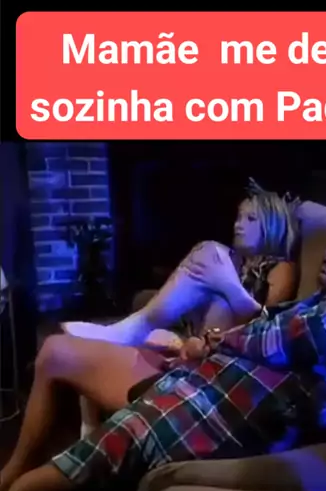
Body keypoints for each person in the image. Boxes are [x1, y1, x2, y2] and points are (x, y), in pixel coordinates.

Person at [0, 222, 326, 491]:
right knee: (57, 352)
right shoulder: (316, 302)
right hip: (195, 375)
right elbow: (272, 331)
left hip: (208, 403)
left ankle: (17, 484)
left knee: (30, 490)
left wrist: (215, 340)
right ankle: (14, 469)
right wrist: (197, 347)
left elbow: (284, 340)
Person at [66, 180, 299, 436]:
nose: (238, 224)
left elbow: (266, 326)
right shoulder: (231, 260)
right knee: (209, 250)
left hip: (226, 352)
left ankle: (133, 331)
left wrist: (228, 286)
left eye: (250, 219)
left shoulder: (281, 267)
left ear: (272, 226)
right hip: (194, 337)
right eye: (239, 217)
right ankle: (89, 426)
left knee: (215, 277)